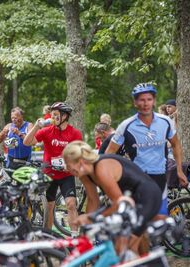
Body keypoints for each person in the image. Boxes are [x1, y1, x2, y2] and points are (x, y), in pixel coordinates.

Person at [62, 141, 161, 255]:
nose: (67, 169)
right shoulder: (84, 175)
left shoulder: (101, 168)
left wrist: (92, 218)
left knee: (124, 247)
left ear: (79, 162)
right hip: (129, 200)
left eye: (68, 165)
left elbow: (119, 204)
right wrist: (87, 228)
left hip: (146, 196)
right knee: (133, 246)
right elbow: (93, 201)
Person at [105, 83, 188, 218]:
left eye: (149, 99)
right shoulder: (126, 126)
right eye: (141, 100)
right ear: (135, 102)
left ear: (154, 101)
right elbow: (109, 153)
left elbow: (176, 144)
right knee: (140, 221)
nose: (145, 103)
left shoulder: (166, 121)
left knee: (159, 220)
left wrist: (179, 170)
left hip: (160, 176)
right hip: (137, 178)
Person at [24, 102, 82, 232]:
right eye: (52, 114)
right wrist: (36, 127)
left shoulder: (74, 133)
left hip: (66, 175)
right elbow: (27, 142)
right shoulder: (47, 131)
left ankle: (74, 237)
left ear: (64, 116)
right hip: (49, 173)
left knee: (71, 204)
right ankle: (49, 236)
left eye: (56, 115)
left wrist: (70, 165)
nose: (52, 117)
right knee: (49, 206)